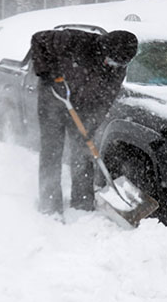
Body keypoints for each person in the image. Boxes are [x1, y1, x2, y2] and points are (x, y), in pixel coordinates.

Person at [30, 28, 138, 216]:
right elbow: (38, 40)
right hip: (53, 99)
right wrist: (47, 73)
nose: (113, 65)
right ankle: (50, 204)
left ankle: (83, 203)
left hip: (81, 109)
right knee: (52, 150)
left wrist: (90, 127)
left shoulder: (118, 68)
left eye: (119, 63)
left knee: (84, 151)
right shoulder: (75, 40)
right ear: (104, 48)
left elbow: (105, 101)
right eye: (111, 60)